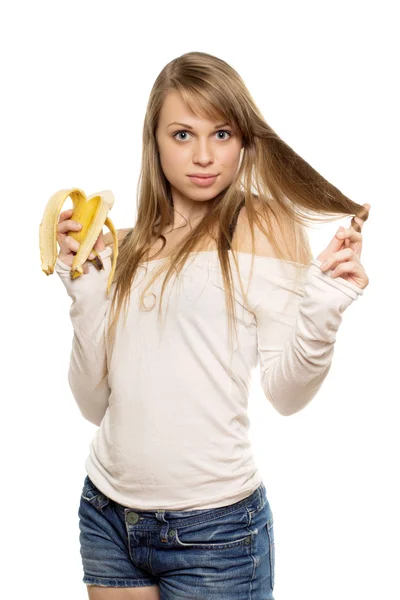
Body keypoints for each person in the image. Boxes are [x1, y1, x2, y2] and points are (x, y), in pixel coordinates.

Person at [54, 51, 370, 600]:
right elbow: (91, 403)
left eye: (221, 133)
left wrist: (324, 305)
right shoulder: (126, 246)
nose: (204, 156)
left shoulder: (264, 226)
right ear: (154, 142)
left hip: (215, 534)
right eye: (182, 134)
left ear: (245, 139)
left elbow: (287, 394)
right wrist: (84, 292)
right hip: (108, 515)